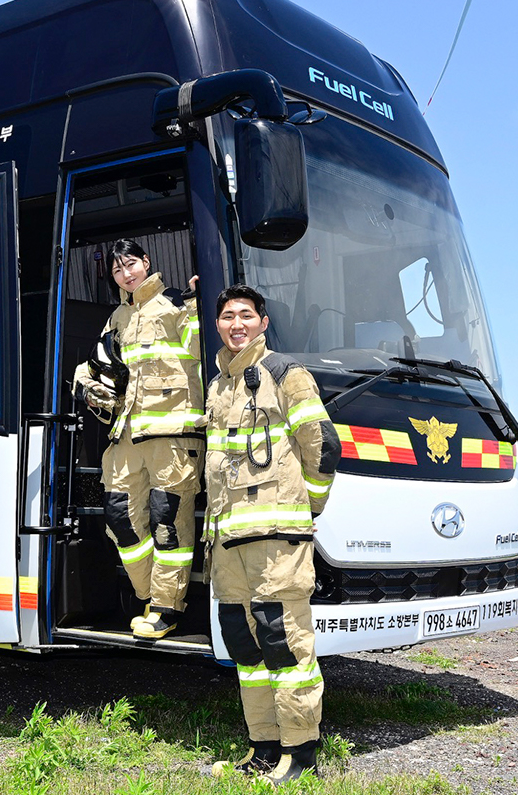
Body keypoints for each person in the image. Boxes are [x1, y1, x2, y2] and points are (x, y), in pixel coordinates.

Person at [203, 285, 340, 782]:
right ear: (217, 326)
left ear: (263, 322)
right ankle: (262, 749)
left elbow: (323, 446)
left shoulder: (287, 374)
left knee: (285, 645)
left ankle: (300, 754)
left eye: (245, 315)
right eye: (226, 316)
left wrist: (307, 507)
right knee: (245, 647)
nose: (235, 323)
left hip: (276, 540)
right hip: (227, 542)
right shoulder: (218, 386)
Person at [71, 239, 203, 640]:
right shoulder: (117, 318)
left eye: (131, 264)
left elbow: (206, 359)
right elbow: (94, 366)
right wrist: (87, 386)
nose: (126, 274)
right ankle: (149, 596)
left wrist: (198, 304)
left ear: (146, 263)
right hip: (126, 431)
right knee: (120, 517)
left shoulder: (179, 304)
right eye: (117, 270)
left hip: (173, 432)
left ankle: (166, 608)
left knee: (168, 522)